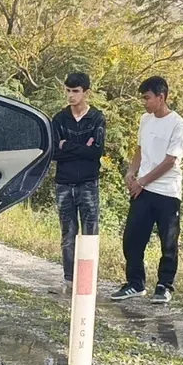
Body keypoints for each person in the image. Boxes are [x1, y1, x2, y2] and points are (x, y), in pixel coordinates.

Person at [110, 76, 183, 305]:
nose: (144, 103)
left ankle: (164, 286)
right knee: (132, 238)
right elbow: (140, 148)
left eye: (147, 98)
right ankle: (135, 283)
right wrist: (131, 172)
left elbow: (171, 161)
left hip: (167, 191)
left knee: (169, 241)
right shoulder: (146, 120)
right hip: (142, 189)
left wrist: (143, 181)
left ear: (161, 97)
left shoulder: (178, 124)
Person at [53, 71, 106, 294]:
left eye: (75, 91)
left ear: (86, 92)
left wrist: (68, 145)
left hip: (88, 182)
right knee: (68, 233)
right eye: (68, 90)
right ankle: (69, 280)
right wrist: (80, 147)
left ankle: (88, 279)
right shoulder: (59, 119)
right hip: (64, 182)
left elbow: (96, 151)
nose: (71, 95)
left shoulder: (96, 118)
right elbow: (55, 151)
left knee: (90, 232)